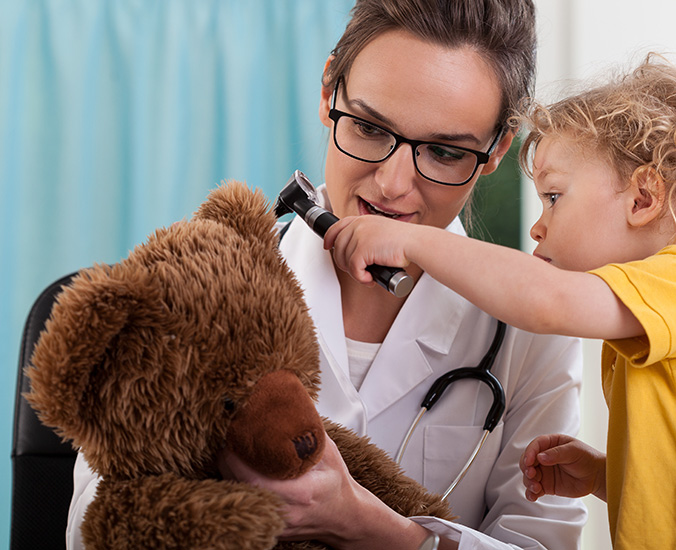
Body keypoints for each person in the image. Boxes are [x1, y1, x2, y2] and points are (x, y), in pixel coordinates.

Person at [67, 1, 588, 549]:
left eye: (441, 152)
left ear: (494, 152)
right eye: (367, 127)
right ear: (326, 92)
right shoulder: (200, 287)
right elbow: (90, 526)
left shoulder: (533, 328)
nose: (392, 185)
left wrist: (371, 527)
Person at [325, 53, 676, 548]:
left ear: (642, 199)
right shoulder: (673, 305)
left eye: (554, 197)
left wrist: (414, 242)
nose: (538, 226)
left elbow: (546, 302)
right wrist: (606, 476)